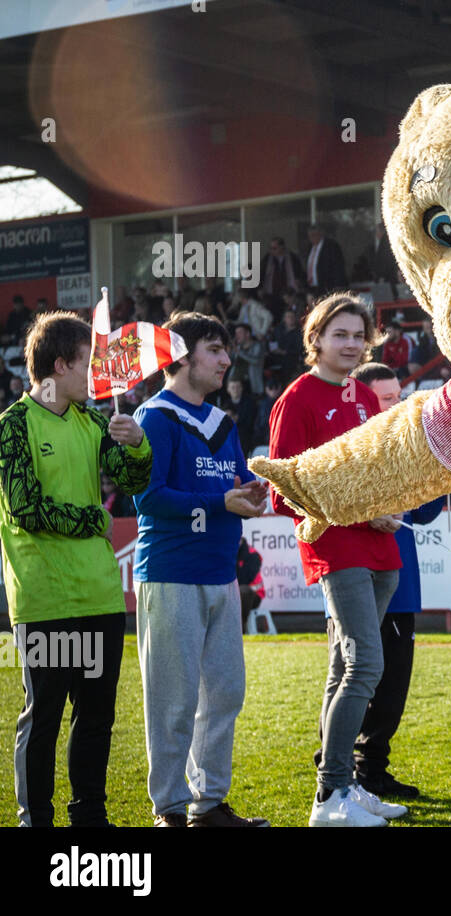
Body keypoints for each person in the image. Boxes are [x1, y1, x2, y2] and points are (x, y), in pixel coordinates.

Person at [1, 311, 153, 826]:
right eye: (90, 364)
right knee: (42, 717)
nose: (99, 376)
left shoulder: (94, 421)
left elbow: (133, 480)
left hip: (100, 595)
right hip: (45, 599)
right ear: (60, 365)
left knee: (96, 717)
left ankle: (90, 817)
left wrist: (137, 443)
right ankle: (35, 820)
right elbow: (26, 507)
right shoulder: (13, 425)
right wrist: (93, 517)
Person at [267, 292, 407, 826]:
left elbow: (380, 474)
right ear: (316, 339)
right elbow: (283, 492)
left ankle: (343, 785)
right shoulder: (297, 399)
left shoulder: (368, 399)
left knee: (343, 667)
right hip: (337, 549)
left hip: (381, 549)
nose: (351, 345)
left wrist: (387, 507)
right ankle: (330, 798)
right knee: (365, 665)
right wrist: (356, 513)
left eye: (358, 335)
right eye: (340, 335)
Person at [132, 312, 269, 827]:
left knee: (225, 691)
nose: (226, 360)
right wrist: (220, 502)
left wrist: (250, 496)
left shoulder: (224, 423)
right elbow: (150, 500)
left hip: (220, 573)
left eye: (225, 350)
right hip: (170, 573)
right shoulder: (153, 418)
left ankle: (208, 803)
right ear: (180, 356)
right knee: (173, 698)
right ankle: (168, 807)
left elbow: (231, 487)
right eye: (214, 349)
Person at [345, 363, 445, 798]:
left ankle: (372, 766)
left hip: (401, 582)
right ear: (362, 403)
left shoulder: (407, 445)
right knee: (353, 676)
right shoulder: (346, 450)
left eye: (398, 396)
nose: (396, 405)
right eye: (386, 398)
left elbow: (425, 513)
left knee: (393, 683)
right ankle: (343, 765)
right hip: (354, 577)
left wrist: (437, 472)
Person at [306, 224, 347, 291]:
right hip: (314, 287)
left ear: (320, 234)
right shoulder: (310, 248)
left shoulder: (331, 246)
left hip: (329, 286)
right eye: (309, 236)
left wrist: (338, 284)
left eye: (314, 235)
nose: (311, 238)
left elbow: (338, 266)